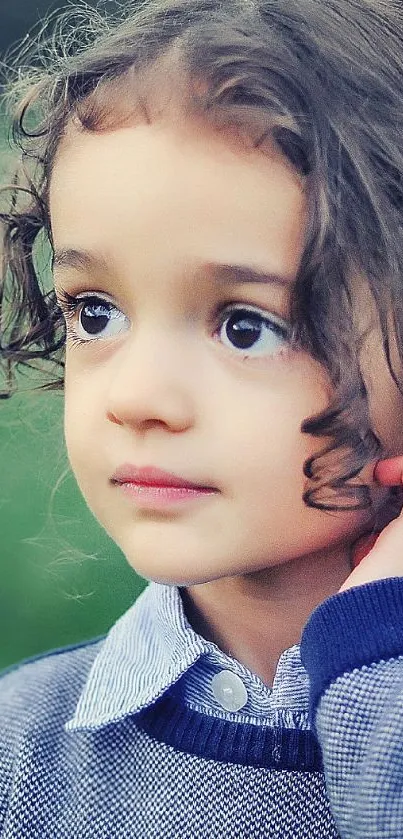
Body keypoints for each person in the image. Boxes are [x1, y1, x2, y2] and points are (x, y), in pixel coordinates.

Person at [1, 0, 403, 836]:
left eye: (247, 326)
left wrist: (375, 669)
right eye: (95, 312)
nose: (137, 396)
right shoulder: (21, 756)